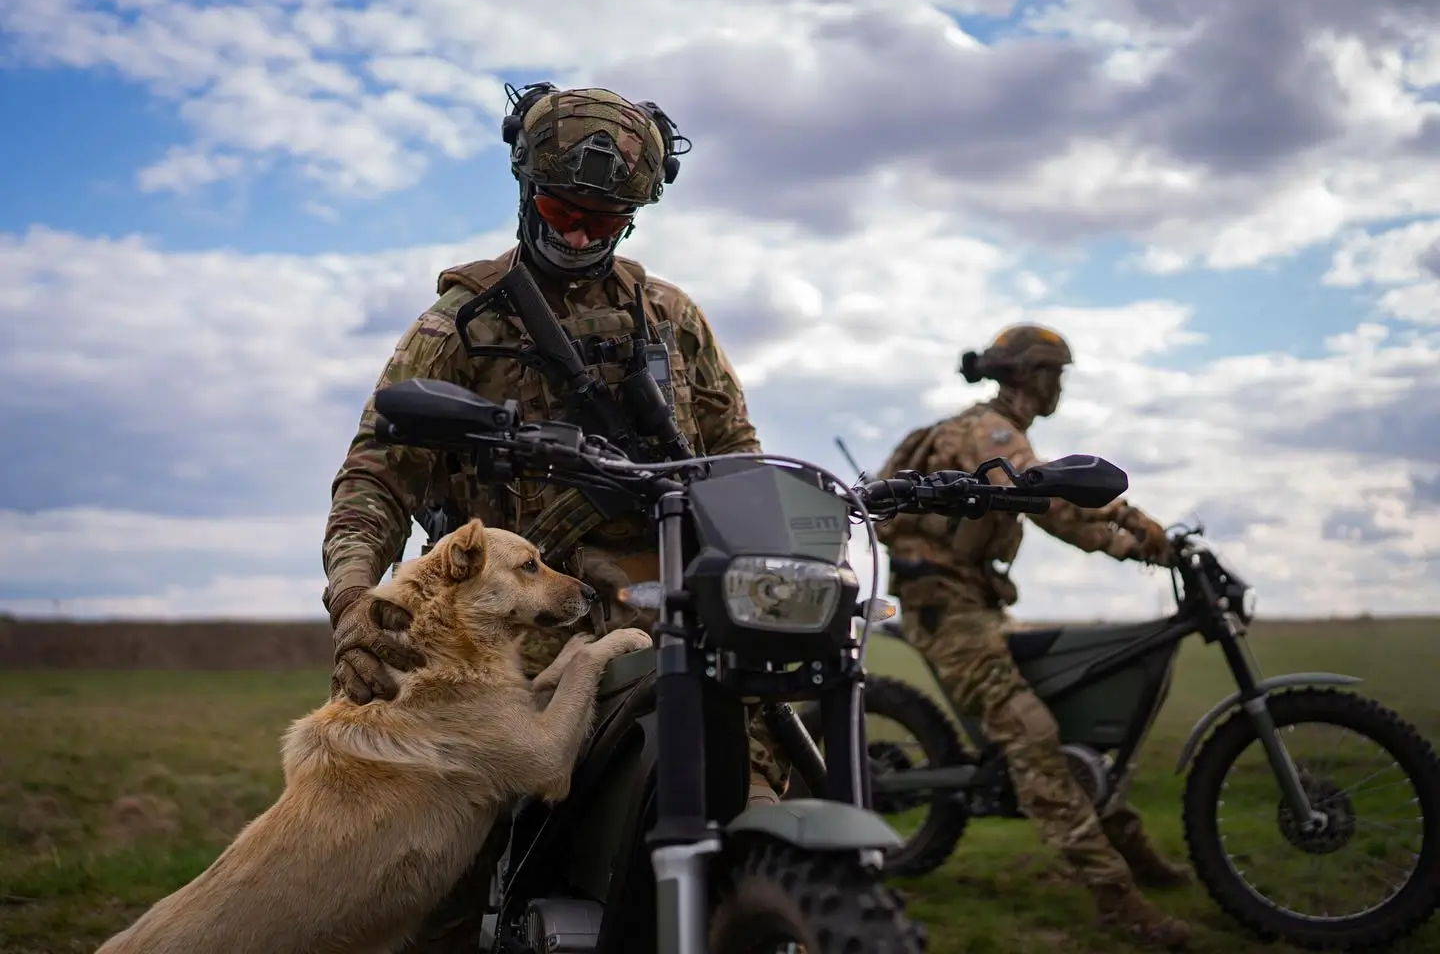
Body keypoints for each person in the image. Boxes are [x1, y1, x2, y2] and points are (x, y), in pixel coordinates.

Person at [319, 82, 789, 949]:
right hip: (504, 636)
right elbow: (377, 473)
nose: (577, 233)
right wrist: (354, 596)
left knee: (768, 771)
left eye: (602, 221)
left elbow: (739, 458)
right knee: (431, 876)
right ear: (522, 184)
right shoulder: (460, 323)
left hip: (670, 614)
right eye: (560, 208)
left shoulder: (674, 320)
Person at [873, 324, 1193, 949]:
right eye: (1057, 374)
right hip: (945, 607)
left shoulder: (996, 431)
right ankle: (1115, 898)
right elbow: (1049, 497)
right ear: (1032, 375)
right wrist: (1145, 538)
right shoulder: (987, 432)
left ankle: (1138, 859)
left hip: (976, 602)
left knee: (1064, 718)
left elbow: (1050, 503)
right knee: (1034, 734)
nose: (1062, 386)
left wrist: (1132, 541)